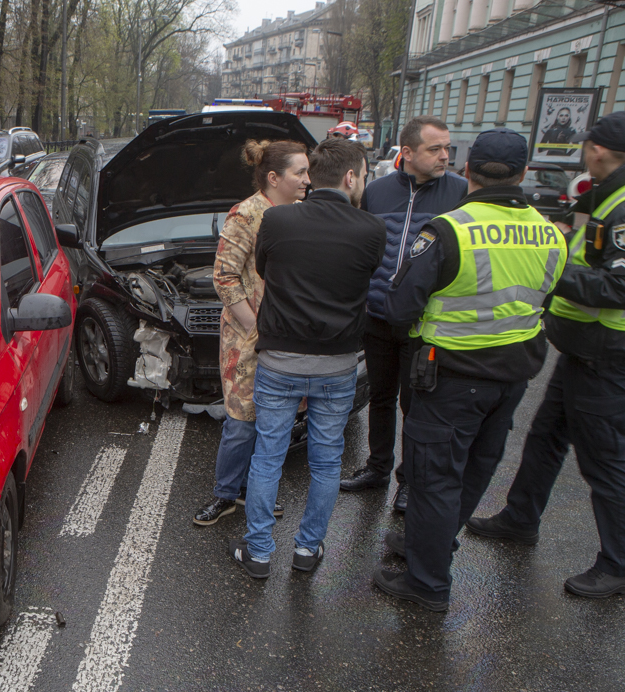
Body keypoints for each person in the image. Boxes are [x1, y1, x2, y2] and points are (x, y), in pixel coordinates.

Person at [372, 128, 568, 611]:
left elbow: (399, 308)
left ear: (467, 170)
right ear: (524, 173)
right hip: (513, 378)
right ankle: (430, 546)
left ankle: (427, 582)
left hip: (451, 377)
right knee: (475, 472)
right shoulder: (551, 233)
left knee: (435, 478)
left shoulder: (449, 230)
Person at [465, 112, 625, 598]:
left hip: (607, 354)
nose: (583, 151)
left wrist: (549, 270)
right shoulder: (604, 195)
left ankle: (617, 563)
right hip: (582, 349)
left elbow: (617, 286)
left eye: (588, 144)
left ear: (599, 149)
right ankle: (520, 517)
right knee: (545, 437)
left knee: (604, 461)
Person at [231, 138, 385, 578]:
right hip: (336, 365)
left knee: (268, 456)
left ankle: (258, 552)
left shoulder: (277, 220)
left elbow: (264, 269)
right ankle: (307, 549)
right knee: (325, 460)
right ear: (351, 177)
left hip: (279, 361)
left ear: (313, 175)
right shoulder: (371, 229)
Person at [340, 116, 467, 512]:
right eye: (435, 149)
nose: (445, 156)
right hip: (376, 317)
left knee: (417, 406)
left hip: (424, 323)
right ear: (407, 153)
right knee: (380, 397)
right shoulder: (376, 192)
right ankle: (377, 468)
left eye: (448, 148)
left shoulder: (460, 193)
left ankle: (409, 481)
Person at [194, 140, 310, 526]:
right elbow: (223, 277)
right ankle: (226, 493)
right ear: (274, 177)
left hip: (288, 335)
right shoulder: (246, 215)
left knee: (274, 421)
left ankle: (254, 492)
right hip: (249, 337)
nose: (308, 179)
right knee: (242, 422)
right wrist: (255, 328)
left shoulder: (302, 213)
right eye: (300, 172)